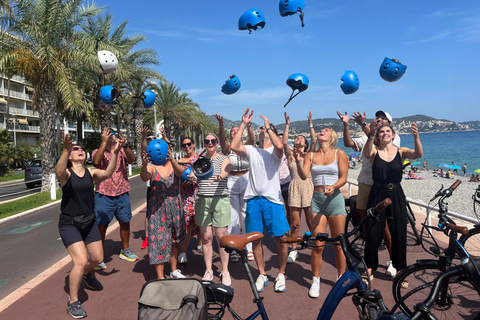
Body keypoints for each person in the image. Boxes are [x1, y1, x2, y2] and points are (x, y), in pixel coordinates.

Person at [56, 132, 122, 319]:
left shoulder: (90, 173)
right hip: (70, 223)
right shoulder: (66, 174)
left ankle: (85, 275)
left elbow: (108, 173)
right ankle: (73, 301)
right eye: (75, 149)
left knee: (97, 259)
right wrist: (65, 150)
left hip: (89, 221)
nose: (80, 151)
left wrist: (115, 152)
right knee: (81, 260)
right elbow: (59, 171)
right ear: (69, 156)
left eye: (81, 149)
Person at [230, 108, 290, 293]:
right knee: (256, 239)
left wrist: (269, 127)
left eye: (266, 130)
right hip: (253, 200)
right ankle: (262, 273)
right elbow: (233, 146)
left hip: (273, 201)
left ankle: (281, 273)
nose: (263, 131)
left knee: (281, 239)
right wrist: (243, 124)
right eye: (262, 130)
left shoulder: (275, 151)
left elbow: (280, 147)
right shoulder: (251, 150)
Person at [337, 109, 400, 278]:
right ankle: (369, 257)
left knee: (384, 226)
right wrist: (346, 125)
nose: (378, 120)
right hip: (365, 182)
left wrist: (365, 126)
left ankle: (393, 260)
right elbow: (348, 143)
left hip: (381, 186)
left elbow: (380, 143)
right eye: (377, 118)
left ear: (390, 125)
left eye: (383, 119)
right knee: (366, 224)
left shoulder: (392, 137)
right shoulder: (368, 136)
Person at [363, 121, 423, 286]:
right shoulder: (374, 151)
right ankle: (369, 267)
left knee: (399, 232)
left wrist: (416, 136)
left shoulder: (401, 151)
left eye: (387, 131)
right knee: (373, 231)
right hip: (377, 193)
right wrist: (370, 135)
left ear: (393, 135)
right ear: (378, 136)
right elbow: (367, 153)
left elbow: (418, 154)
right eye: (381, 132)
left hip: (396, 193)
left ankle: (400, 269)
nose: (384, 134)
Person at [295, 126, 348, 298]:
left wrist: (334, 186)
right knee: (318, 244)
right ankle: (315, 280)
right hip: (317, 200)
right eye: (320, 130)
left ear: (332, 136)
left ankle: (340, 279)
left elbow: (344, 177)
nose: (321, 131)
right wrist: (297, 161)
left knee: (339, 244)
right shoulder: (310, 155)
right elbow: (303, 176)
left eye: (325, 130)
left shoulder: (339, 153)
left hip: (335, 200)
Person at [140, 138, 186, 279]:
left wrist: (172, 160)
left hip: (175, 207)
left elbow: (182, 174)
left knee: (174, 240)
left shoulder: (174, 164)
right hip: (158, 210)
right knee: (158, 242)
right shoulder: (152, 167)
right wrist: (143, 164)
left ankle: (173, 271)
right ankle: (160, 276)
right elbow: (144, 177)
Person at [92, 128, 137, 270]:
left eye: (113, 135)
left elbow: (132, 159)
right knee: (101, 226)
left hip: (122, 192)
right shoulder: (98, 151)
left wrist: (125, 145)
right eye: (108, 136)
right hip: (104, 194)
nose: (112, 138)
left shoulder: (122, 150)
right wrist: (103, 143)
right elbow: (95, 162)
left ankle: (125, 250)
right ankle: (98, 257)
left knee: (125, 222)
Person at [214, 114, 255, 262]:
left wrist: (248, 125)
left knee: (245, 214)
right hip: (231, 180)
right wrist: (221, 126)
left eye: (237, 130)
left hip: (245, 179)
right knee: (232, 216)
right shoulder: (228, 148)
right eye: (233, 131)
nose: (235, 132)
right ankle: (234, 249)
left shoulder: (246, 145)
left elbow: (252, 138)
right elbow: (221, 138)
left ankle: (248, 247)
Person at [193, 133, 232, 286]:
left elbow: (225, 171)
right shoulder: (199, 160)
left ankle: (225, 270)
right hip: (203, 199)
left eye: (213, 141)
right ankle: (209, 270)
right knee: (206, 237)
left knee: (221, 237)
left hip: (220, 199)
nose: (210, 143)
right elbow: (193, 174)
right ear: (204, 143)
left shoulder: (223, 158)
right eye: (207, 141)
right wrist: (192, 178)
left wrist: (219, 177)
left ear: (217, 143)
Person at [283, 111, 314, 264]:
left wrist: (310, 124)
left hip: (307, 187)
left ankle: (316, 246)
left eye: (302, 138)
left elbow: (314, 140)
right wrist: (287, 125)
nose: (299, 139)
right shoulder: (290, 154)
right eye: (297, 138)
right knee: (295, 223)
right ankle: (293, 249)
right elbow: (283, 143)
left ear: (305, 144)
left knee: (310, 222)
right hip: (294, 187)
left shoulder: (308, 155)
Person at [177, 136, 202, 263]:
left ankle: (200, 243)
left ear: (193, 144)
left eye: (189, 144)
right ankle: (183, 253)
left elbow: (205, 175)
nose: (187, 147)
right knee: (188, 224)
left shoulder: (199, 159)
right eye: (184, 145)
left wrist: (197, 180)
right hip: (185, 196)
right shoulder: (179, 161)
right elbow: (175, 180)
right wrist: (181, 185)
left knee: (201, 223)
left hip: (198, 194)